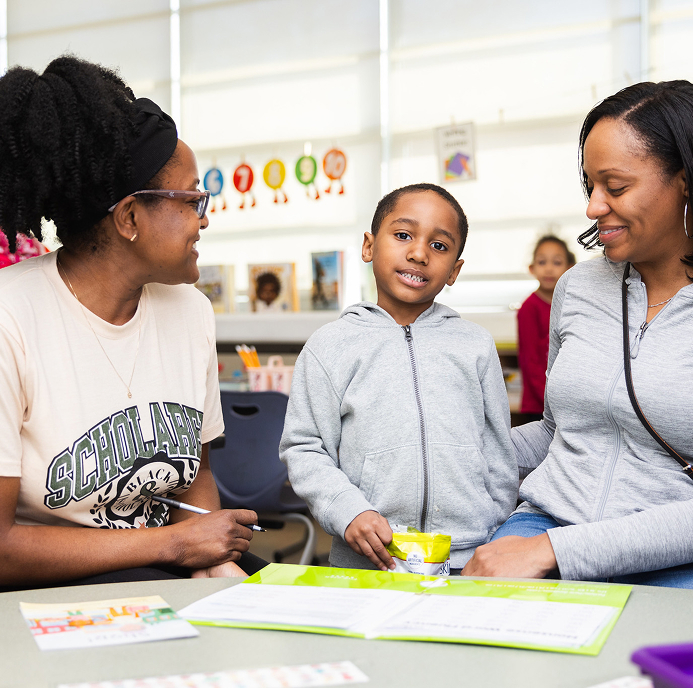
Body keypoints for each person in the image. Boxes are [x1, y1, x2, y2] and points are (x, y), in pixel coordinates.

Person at [0, 56, 265, 590]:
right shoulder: (12, 316)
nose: (205, 217)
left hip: (163, 571)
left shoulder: (190, 311)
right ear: (129, 218)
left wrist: (209, 561)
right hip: (56, 589)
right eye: (192, 200)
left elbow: (198, 478)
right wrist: (175, 544)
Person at [463, 80, 693, 587]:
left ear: (685, 180)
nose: (592, 207)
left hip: (672, 554)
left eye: (615, 186)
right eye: (590, 185)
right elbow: (556, 432)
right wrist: (456, 448)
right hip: (544, 522)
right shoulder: (578, 286)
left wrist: (557, 552)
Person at [280, 183, 517, 572]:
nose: (419, 253)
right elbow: (305, 449)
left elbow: (497, 451)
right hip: (369, 559)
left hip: (467, 560)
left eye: (439, 246)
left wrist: (493, 526)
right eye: (403, 235)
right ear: (369, 246)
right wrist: (349, 512)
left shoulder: (475, 345)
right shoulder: (330, 346)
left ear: (455, 270)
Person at [517, 236, 575, 420]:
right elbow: (531, 363)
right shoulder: (529, 308)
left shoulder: (571, 304)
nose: (549, 268)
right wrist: (551, 402)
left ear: (569, 268)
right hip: (539, 406)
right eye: (542, 262)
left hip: (566, 401)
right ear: (532, 268)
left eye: (556, 262)